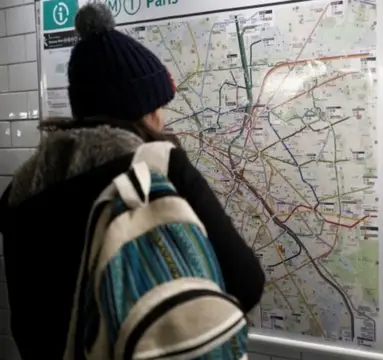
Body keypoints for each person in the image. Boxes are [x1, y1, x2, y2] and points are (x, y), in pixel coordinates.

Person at [0, 3, 265, 359]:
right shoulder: (160, 166)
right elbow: (246, 283)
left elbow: (26, 322)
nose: (163, 116)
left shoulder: (20, 190)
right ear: (144, 110)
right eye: (158, 105)